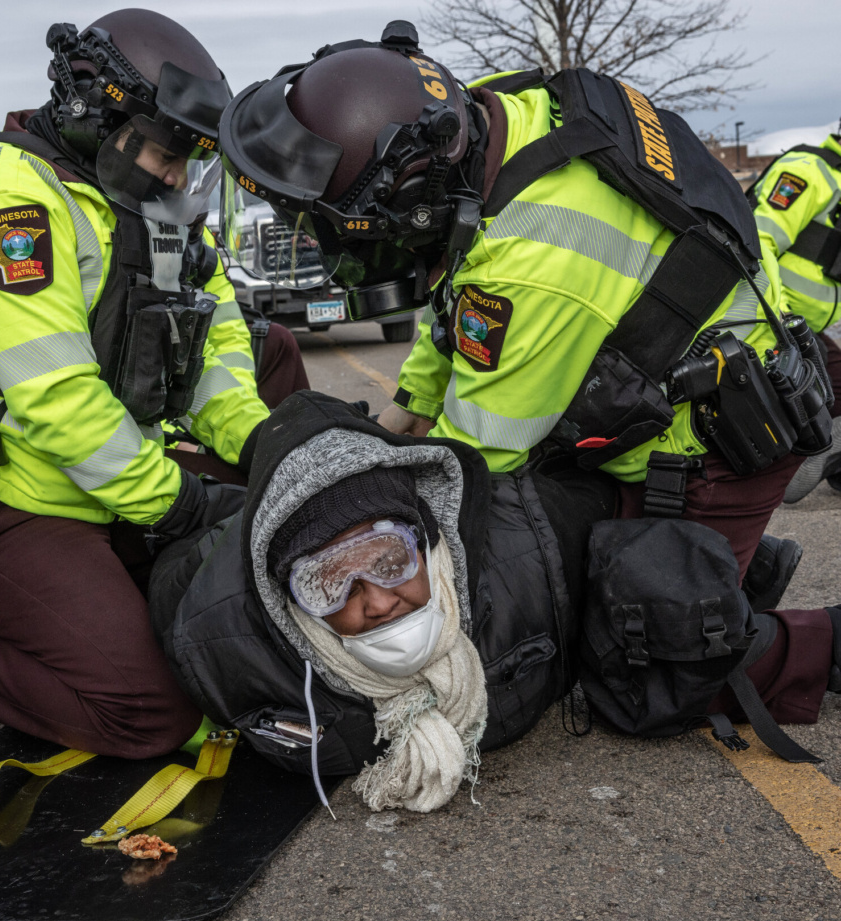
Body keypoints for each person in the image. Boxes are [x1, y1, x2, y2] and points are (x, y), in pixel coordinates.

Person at [217, 22, 839, 588]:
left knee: (656, 647)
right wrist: (410, 405)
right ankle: (731, 570)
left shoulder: (536, 256)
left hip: (716, 456)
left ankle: (801, 633)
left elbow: (472, 462)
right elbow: (456, 299)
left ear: (411, 202)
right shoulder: (483, 117)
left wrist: (356, 526)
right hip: (643, 391)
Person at [0, 9, 306, 758]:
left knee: (262, 577)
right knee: (149, 714)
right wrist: (180, 503)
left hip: (105, 481)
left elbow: (217, 345)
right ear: (96, 115)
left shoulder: (157, 209)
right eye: (166, 153)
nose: (178, 177)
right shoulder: (8, 204)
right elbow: (58, 400)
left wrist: (263, 445)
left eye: (191, 158)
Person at [150, 392, 840, 813]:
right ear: (286, 601)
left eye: (389, 560)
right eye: (329, 583)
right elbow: (173, 580)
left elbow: (631, 553)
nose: (378, 601)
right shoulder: (224, 650)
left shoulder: (529, 548)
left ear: (429, 540)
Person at [747, 128, 841, 502]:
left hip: (811, 327)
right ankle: (790, 475)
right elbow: (758, 241)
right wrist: (782, 318)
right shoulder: (807, 170)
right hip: (774, 322)